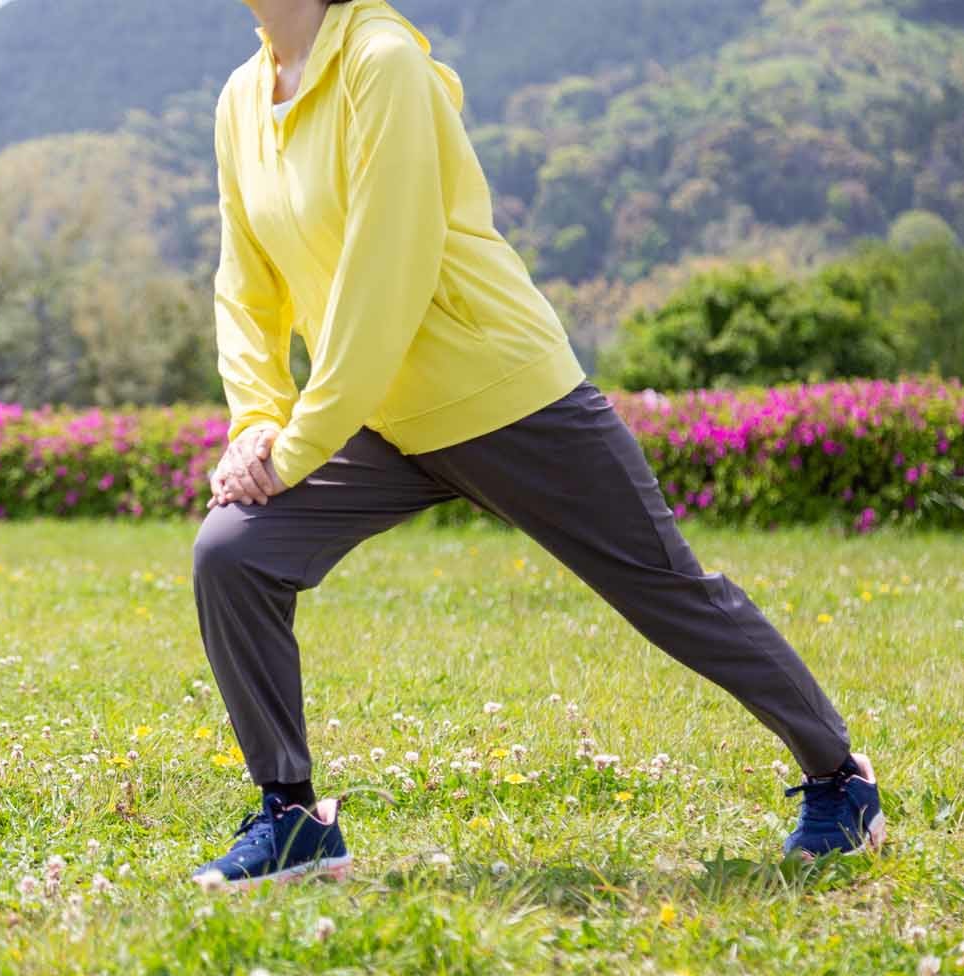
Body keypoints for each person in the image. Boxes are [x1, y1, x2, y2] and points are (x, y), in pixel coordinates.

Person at [189, 0, 885, 888]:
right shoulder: (241, 99)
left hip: (502, 394)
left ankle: (839, 776)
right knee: (234, 553)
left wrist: (295, 444)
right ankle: (291, 817)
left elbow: (385, 274)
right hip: (378, 417)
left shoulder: (381, 61)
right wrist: (256, 422)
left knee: (665, 591)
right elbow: (244, 287)